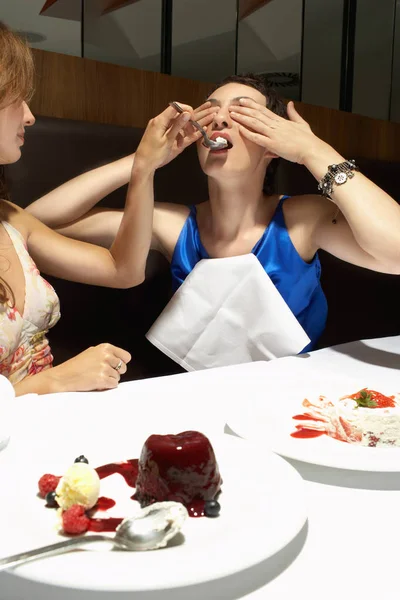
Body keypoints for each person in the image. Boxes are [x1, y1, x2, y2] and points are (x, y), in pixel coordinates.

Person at [28, 73, 400, 356]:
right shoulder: (172, 226)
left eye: (241, 112)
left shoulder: (305, 219)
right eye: (211, 111)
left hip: (296, 402)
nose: (219, 120)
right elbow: (32, 225)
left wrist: (313, 151)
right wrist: (142, 161)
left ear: (273, 140)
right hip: (199, 401)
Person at [0, 21, 215, 395]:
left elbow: (124, 270)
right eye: (18, 98)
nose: (30, 116)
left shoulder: (9, 217)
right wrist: (53, 381)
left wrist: (144, 166)